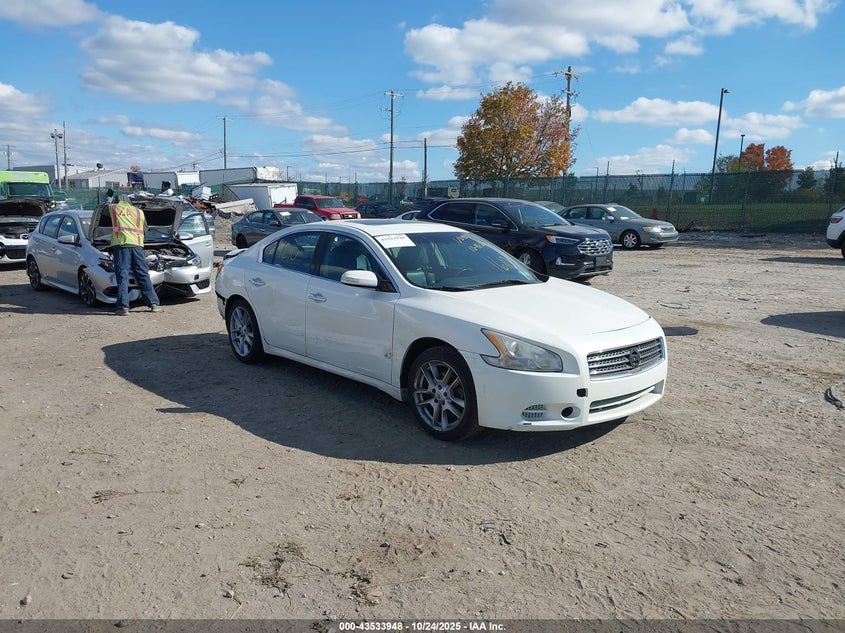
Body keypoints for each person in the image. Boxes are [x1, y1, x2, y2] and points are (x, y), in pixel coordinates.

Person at [108, 195, 161, 316]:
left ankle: (123, 307)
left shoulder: (113, 208)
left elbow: (106, 210)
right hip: (137, 244)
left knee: (122, 275)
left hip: (122, 244)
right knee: (142, 273)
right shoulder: (139, 212)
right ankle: (153, 304)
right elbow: (145, 229)